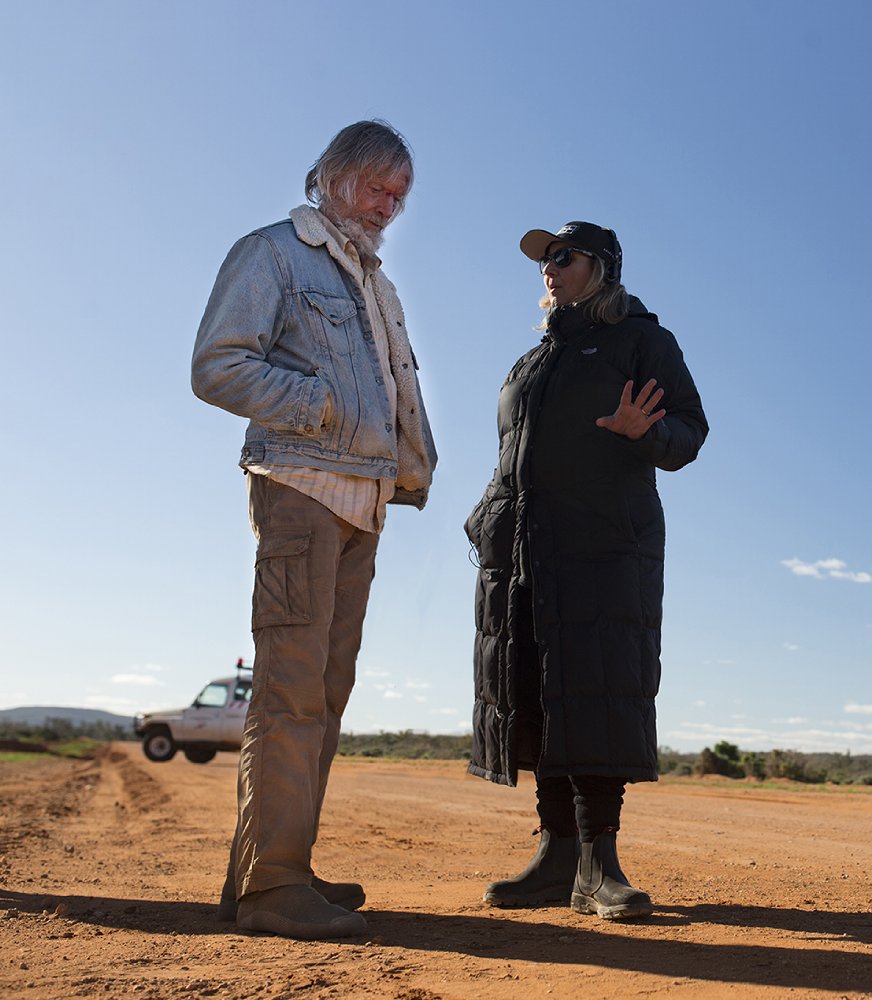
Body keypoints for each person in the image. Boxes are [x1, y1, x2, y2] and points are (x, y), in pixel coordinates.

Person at [191, 120, 437, 940]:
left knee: (325, 696)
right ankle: (273, 889)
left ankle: (274, 870)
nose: (388, 207)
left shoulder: (375, 283)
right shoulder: (274, 253)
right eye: (377, 188)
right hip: (300, 486)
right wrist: (322, 408)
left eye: (399, 196)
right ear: (331, 179)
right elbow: (218, 365)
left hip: (364, 502)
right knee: (292, 691)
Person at [465, 221, 708, 919]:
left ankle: (600, 865)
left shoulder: (640, 340)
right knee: (540, 695)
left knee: (597, 690)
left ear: (600, 267)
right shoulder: (531, 363)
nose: (549, 267)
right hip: (524, 553)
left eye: (563, 256)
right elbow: (511, 454)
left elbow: (689, 432)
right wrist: (486, 518)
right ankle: (556, 858)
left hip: (604, 546)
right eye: (544, 259)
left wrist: (648, 432)